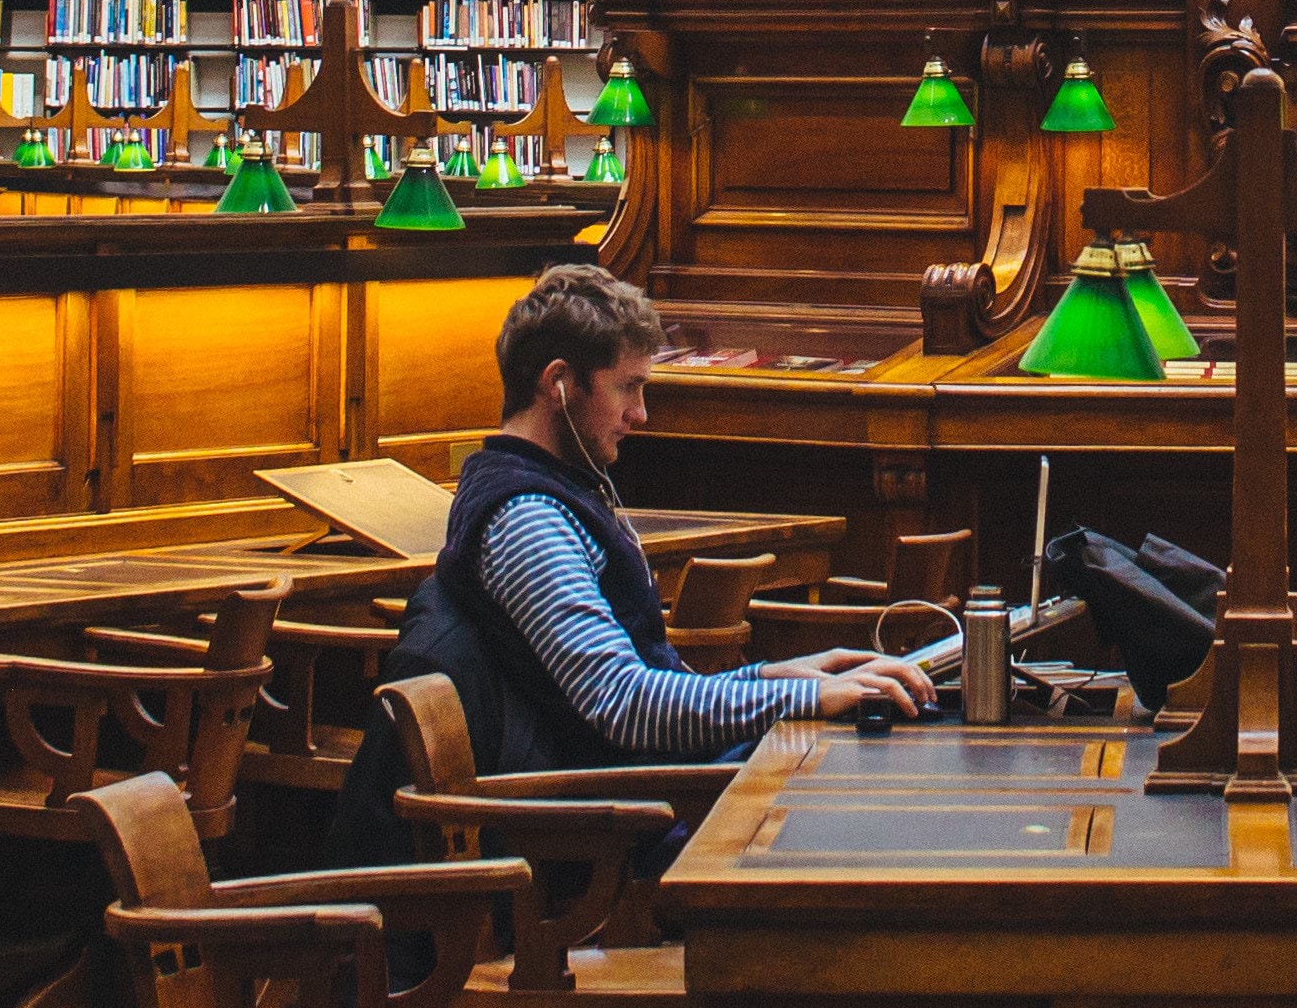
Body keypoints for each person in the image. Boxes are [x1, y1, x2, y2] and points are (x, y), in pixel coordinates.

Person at [334, 263, 931, 853]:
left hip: (634, 795)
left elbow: (642, 682)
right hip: (604, 835)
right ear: (560, 384)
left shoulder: (552, 493)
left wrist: (781, 674)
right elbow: (622, 705)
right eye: (627, 387)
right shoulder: (526, 520)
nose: (640, 414)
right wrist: (807, 699)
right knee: (863, 795)